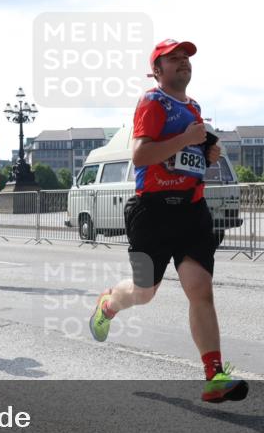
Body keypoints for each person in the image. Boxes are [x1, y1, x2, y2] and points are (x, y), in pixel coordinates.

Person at [87, 39, 248, 403]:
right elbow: (141, 155)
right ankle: (109, 304)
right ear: (157, 71)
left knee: (200, 289)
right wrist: (185, 138)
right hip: (153, 212)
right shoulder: (152, 102)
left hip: (191, 210)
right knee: (145, 293)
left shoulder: (194, 108)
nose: (182, 64)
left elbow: (187, 155)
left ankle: (214, 376)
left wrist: (206, 153)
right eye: (173, 60)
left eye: (186, 59)